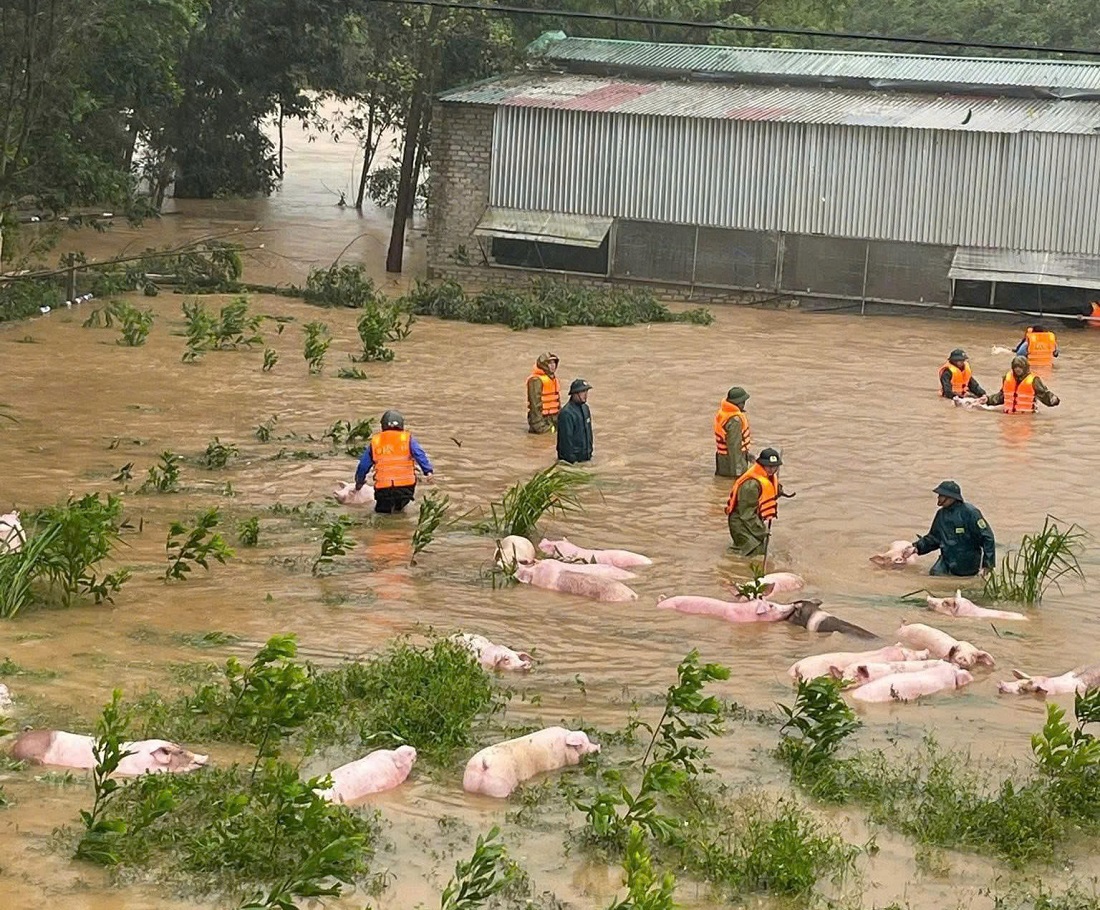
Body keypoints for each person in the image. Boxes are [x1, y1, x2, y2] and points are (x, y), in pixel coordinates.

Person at [902, 481, 995, 577]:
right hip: (946, 560)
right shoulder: (941, 515)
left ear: (950, 497)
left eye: (941, 495)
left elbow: (988, 538)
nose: (938, 498)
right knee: (934, 575)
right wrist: (916, 547)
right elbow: (934, 538)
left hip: (967, 563)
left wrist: (987, 565)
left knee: (965, 584)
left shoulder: (970, 513)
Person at [354, 410, 434, 513]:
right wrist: (428, 471)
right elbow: (420, 455)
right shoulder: (407, 438)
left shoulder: (376, 441)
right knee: (400, 512)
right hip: (406, 488)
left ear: (383, 425)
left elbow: (363, 466)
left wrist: (359, 482)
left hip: (384, 489)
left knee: (383, 517)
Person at [725, 448, 782, 557]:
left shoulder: (767, 477)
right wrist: (761, 531)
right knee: (754, 550)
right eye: (769, 466)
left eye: (774, 467)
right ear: (761, 465)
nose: (772, 469)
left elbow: (768, 490)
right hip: (740, 522)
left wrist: (778, 490)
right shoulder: (751, 485)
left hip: (751, 519)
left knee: (760, 548)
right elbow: (746, 514)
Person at [983, 356, 1060, 413]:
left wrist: (1052, 399)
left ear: (1025, 368)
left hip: (1027, 417)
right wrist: (988, 399)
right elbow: (1002, 396)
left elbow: (1043, 394)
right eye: (1015, 367)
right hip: (1008, 417)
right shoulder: (1007, 378)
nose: (1017, 369)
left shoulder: (1033, 380)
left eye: (1020, 367)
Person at [714, 386, 752, 477]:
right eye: (743, 402)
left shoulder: (723, 413)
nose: (744, 405)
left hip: (723, 461)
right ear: (738, 403)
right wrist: (737, 474)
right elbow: (734, 448)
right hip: (732, 464)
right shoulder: (735, 420)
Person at [556, 379, 593, 464]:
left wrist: (589, 452)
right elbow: (566, 440)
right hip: (572, 462)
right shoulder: (566, 413)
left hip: (585, 458)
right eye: (582, 392)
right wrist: (572, 461)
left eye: (586, 391)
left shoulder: (585, 409)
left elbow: (589, 433)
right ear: (574, 394)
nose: (585, 395)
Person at [526, 352, 560, 434]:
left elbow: (557, 402)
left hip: (554, 420)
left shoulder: (553, 379)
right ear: (544, 365)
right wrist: (539, 425)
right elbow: (535, 406)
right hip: (542, 422)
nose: (553, 365)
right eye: (549, 363)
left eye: (554, 363)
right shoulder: (536, 380)